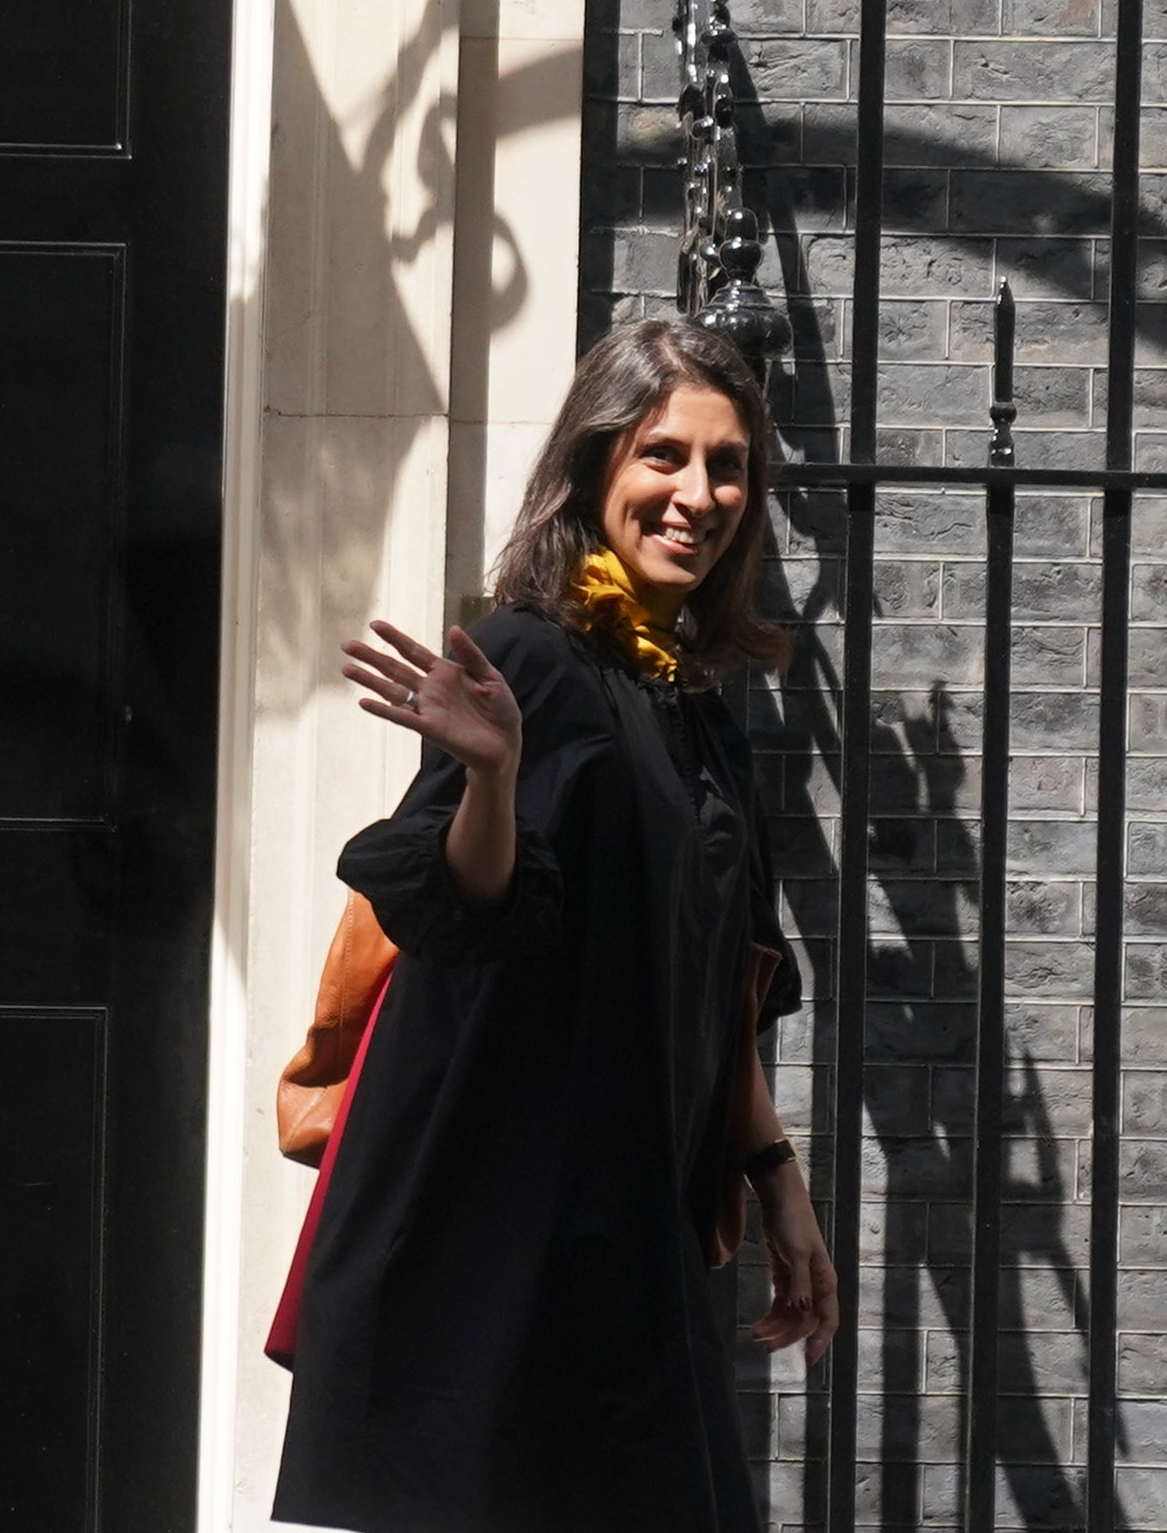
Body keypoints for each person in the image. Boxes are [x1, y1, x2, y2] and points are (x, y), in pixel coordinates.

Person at [272, 317, 837, 1533]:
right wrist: (484, 776)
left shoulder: (690, 708)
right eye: (663, 456)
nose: (698, 494)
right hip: (506, 1235)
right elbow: (469, 907)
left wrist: (776, 1181)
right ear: (593, 466)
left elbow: (713, 980)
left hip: (629, 1222)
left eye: (726, 465)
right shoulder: (529, 660)